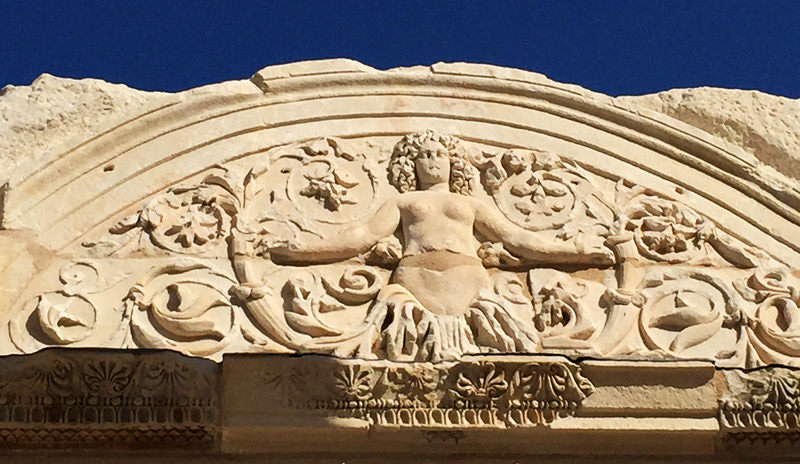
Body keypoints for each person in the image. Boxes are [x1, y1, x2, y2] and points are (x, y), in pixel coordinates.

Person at [270, 131, 612, 360]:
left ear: (453, 162)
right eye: (425, 155)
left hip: (469, 283)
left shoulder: (470, 204)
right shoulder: (404, 202)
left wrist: (578, 253)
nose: (433, 160)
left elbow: (518, 239)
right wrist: (301, 250)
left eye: (439, 154)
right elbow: (362, 236)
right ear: (411, 164)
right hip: (415, 280)